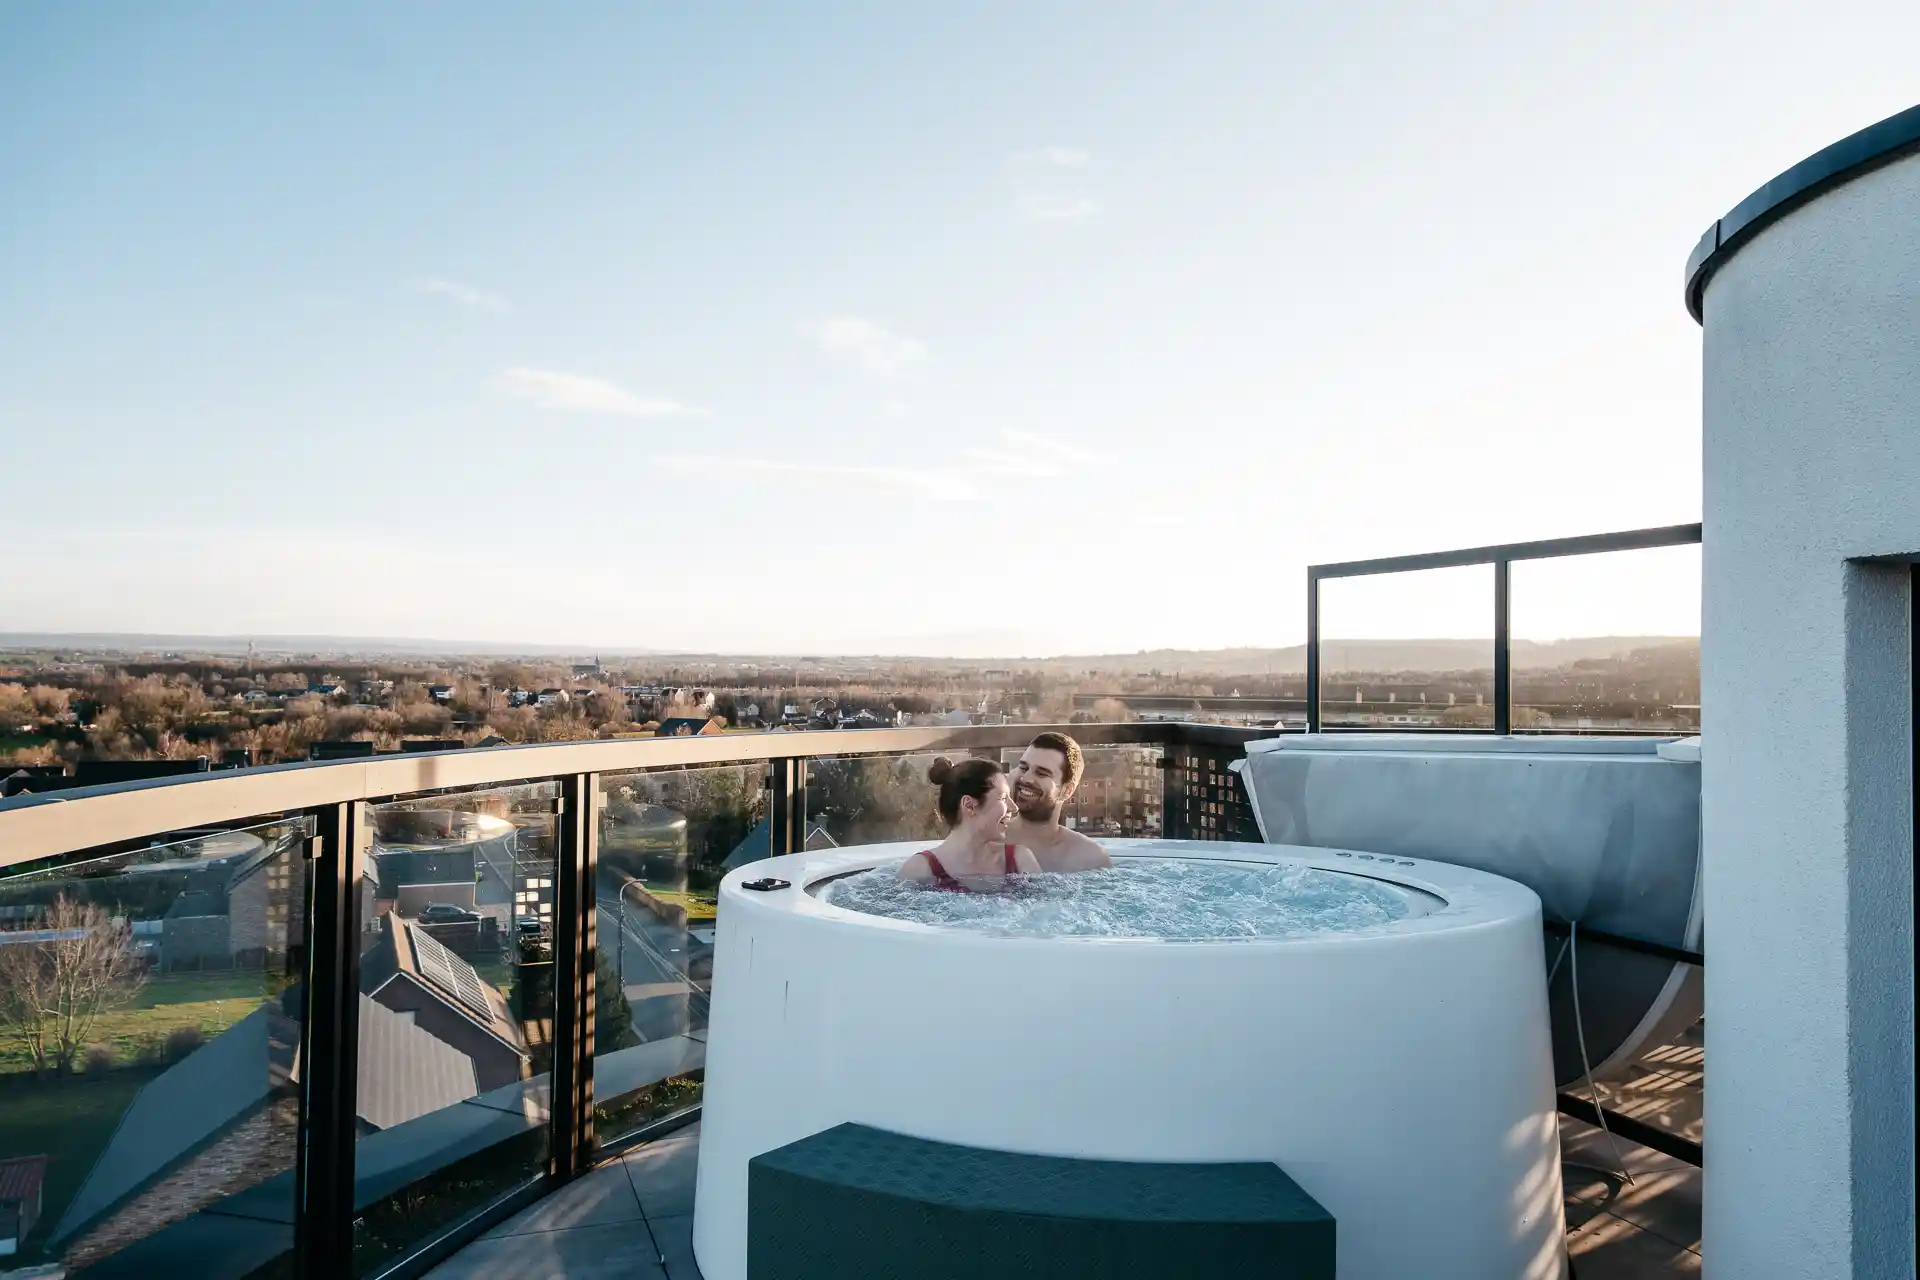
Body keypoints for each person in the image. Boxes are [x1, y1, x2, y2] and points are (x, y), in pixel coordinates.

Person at [898, 756, 1042, 889]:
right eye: (1004, 798)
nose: (1014, 807)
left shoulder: (1020, 861)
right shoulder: (919, 870)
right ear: (969, 805)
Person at [1007, 731, 1113, 872]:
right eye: (1023, 768)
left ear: (1067, 791)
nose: (1025, 778)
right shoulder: (985, 842)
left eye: (1042, 773)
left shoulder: (1090, 858)